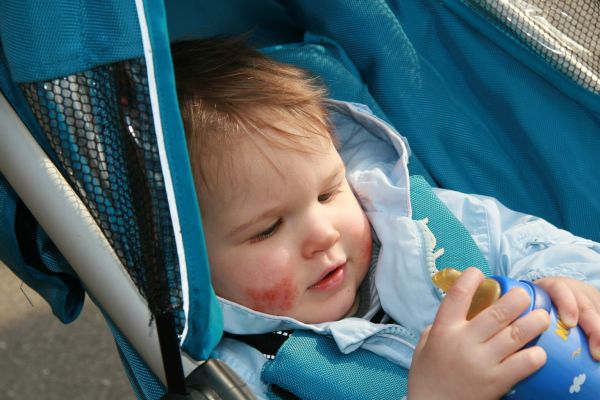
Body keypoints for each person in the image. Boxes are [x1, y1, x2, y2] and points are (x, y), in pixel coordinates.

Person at [171, 37, 600, 399]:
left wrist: (563, 284)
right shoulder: (244, 379)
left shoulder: (420, 224)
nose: (324, 233)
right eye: (267, 229)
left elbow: (534, 244)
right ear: (189, 264)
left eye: (328, 193)